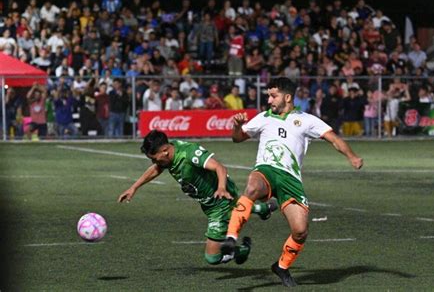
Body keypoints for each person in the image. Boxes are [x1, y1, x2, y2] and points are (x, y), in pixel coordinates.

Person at [220, 77, 363, 287]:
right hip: (267, 170)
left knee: (300, 231)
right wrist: (237, 127)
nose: (269, 100)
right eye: (268, 95)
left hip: (291, 179)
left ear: (287, 97)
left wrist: (352, 156)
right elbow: (237, 138)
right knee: (252, 187)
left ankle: (281, 266)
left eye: (273, 95)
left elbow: (334, 139)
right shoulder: (263, 117)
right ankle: (231, 238)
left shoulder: (307, 120)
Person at [118, 130, 277, 266]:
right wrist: (134, 187)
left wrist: (221, 188)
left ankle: (242, 250)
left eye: (154, 158)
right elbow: (156, 168)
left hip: (218, 201)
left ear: (165, 150)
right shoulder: (168, 155)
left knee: (212, 257)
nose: (154, 162)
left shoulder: (189, 153)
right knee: (235, 208)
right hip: (209, 203)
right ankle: (262, 208)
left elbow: (219, 167)